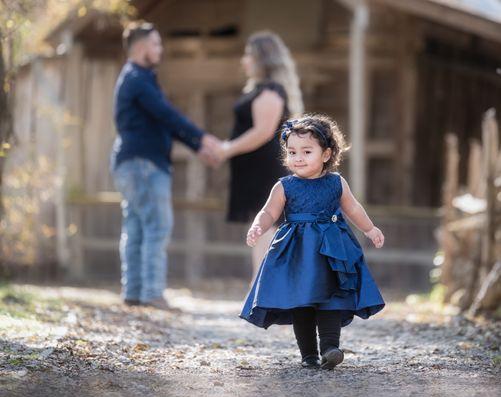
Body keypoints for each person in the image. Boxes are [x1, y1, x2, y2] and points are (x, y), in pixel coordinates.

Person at [240, 115, 386, 369]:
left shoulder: (336, 182)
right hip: (297, 253)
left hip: (331, 250)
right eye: (292, 151)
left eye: (307, 151)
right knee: (302, 301)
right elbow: (269, 212)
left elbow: (353, 209)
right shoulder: (284, 186)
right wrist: (258, 226)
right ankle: (308, 354)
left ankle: (330, 348)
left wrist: (370, 228)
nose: (298, 157)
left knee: (332, 298)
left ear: (326, 154)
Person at [110, 22, 221, 309]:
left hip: (131, 162)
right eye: (156, 44)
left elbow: (161, 121)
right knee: (157, 226)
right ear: (141, 46)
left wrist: (197, 148)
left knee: (136, 226)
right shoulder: (137, 78)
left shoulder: (137, 78)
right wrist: (202, 137)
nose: (160, 50)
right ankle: (152, 293)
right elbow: (166, 114)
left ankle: (134, 293)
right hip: (143, 163)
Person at [217, 31, 303, 277]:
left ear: (262, 59)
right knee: (263, 229)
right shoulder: (263, 90)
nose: (244, 61)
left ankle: (261, 293)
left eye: (248, 55)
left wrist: (227, 149)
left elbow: (263, 131)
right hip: (253, 171)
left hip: (264, 171)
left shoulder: (271, 91)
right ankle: (262, 292)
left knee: (266, 228)